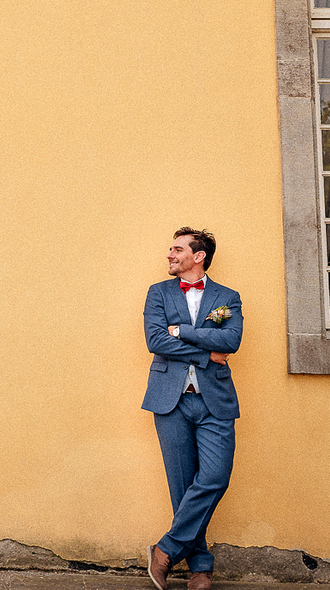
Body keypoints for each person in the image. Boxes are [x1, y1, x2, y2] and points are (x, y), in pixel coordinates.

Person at [142, 227, 243, 590]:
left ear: (198, 256)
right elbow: (155, 340)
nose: (169, 254)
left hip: (214, 401)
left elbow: (230, 340)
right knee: (182, 486)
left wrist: (180, 332)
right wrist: (206, 353)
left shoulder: (226, 297)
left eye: (177, 249)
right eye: (170, 248)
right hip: (170, 400)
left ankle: (166, 548)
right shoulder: (159, 293)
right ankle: (200, 566)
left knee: (215, 477)